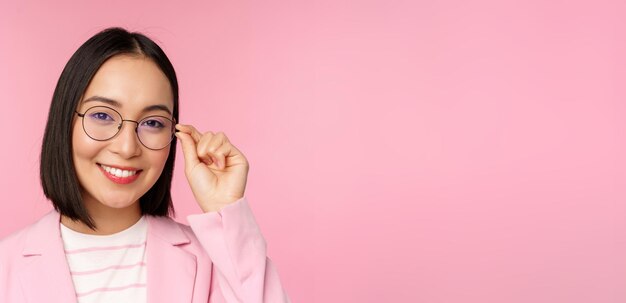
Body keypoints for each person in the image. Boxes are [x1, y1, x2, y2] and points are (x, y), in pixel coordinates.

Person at [0, 27, 290, 303]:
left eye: (152, 123)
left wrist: (225, 208)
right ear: (65, 121)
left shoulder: (216, 262)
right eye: (102, 116)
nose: (127, 148)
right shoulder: (6, 266)